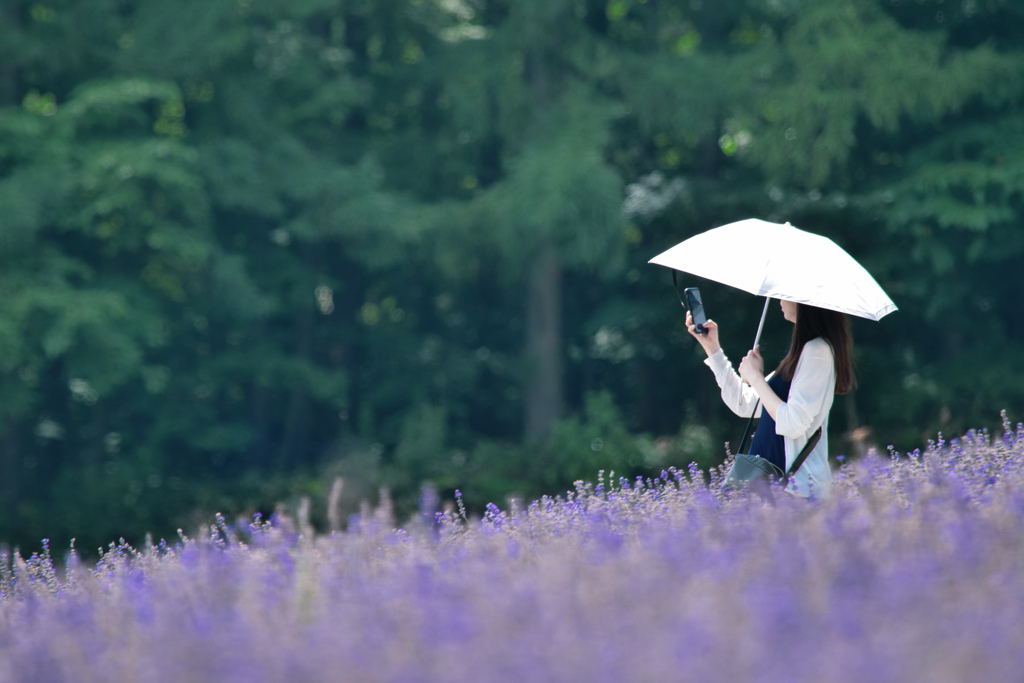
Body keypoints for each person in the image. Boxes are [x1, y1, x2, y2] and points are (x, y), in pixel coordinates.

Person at [685, 299, 855, 499]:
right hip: (771, 484)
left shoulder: (817, 352)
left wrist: (756, 377)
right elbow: (746, 404)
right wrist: (713, 349)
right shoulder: (800, 352)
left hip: (795, 492)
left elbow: (793, 423)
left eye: (785, 295)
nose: (779, 300)